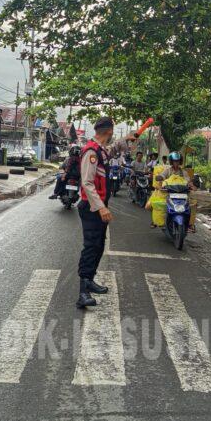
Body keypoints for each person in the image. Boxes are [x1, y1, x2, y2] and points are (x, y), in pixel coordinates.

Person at [77, 117, 137, 308]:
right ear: (109, 130)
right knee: (91, 246)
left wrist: (127, 139)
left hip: (99, 205)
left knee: (98, 245)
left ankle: (89, 280)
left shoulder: (100, 150)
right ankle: (82, 292)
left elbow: (112, 149)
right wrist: (101, 207)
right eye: (113, 130)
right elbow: (87, 183)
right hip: (91, 207)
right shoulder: (91, 152)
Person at [155, 151, 197, 230]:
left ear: (180, 161)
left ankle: (190, 224)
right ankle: (159, 221)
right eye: (174, 161)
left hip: (182, 194)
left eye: (177, 161)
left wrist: (192, 185)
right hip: (169, 193)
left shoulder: (183, 172)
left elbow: (188, 180)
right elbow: (162, 175)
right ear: (171, 161)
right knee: (159, 205)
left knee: (192, 205)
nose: (176, 163)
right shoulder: (168, 170)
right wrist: (159, 177)